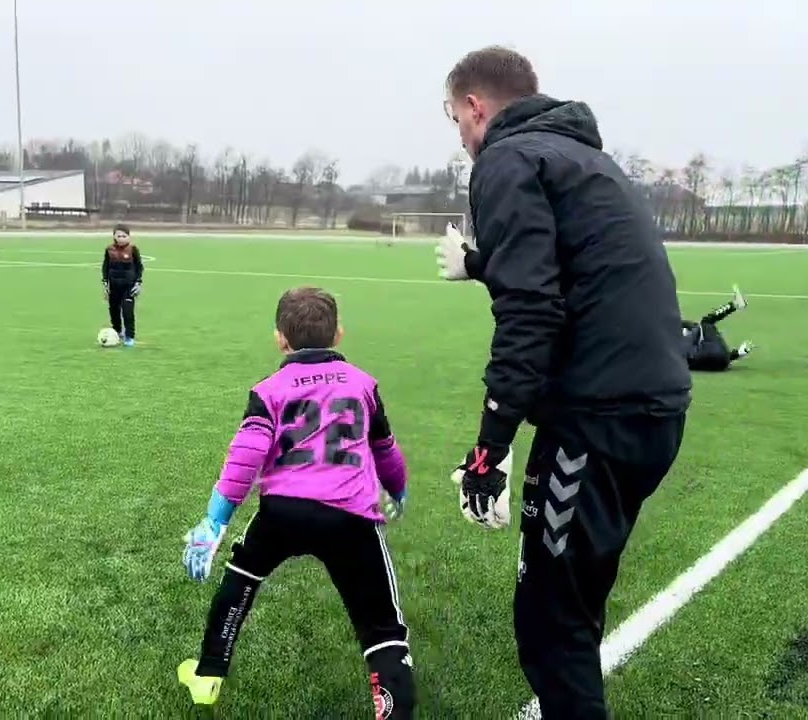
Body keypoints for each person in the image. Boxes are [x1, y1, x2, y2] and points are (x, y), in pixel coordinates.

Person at [435, 47, 691, 719]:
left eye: (453, 117)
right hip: (651, 411)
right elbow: (574, 271)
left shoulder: (505, 160)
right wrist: (483, 262)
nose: (458, 136)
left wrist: (488, 450)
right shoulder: (581, 157)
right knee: (573, 600)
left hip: (599, 418)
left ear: (475, 107)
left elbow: (532, 310)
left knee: (551, 627)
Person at [176, 287, 415, 719]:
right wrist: (397, 488)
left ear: (279, 339)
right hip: (351, 516)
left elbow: (246, 456)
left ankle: (209, 673)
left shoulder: (269, 390)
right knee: (382, 627)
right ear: (338, 334)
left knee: (241, 577)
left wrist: (216, 520)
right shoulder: (363, 384)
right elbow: (385, 449)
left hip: (283, 511)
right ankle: (393, 711)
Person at [684, 285, 755, 372]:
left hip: (721, 363)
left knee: (704, 352)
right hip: (720, 358)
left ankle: (738, 354)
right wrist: (688, 325)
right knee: (706, 322)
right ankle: (735, 304)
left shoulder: (668, 354)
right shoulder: (677, 338)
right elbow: (696, 328)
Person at [101, 224, 143, 346]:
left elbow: (139, 267)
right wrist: (105, 284)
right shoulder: (109, 250)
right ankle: (117, 332)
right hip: (114, 287)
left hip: (128, 287)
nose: (121, 238)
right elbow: (105, 267)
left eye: (124, 236)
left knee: (127, 312)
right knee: (114, 311)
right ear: (114, 236)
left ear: (128, 237)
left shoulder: (133, 249)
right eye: (118, 236)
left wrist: (138, 283)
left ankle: (129, 337)